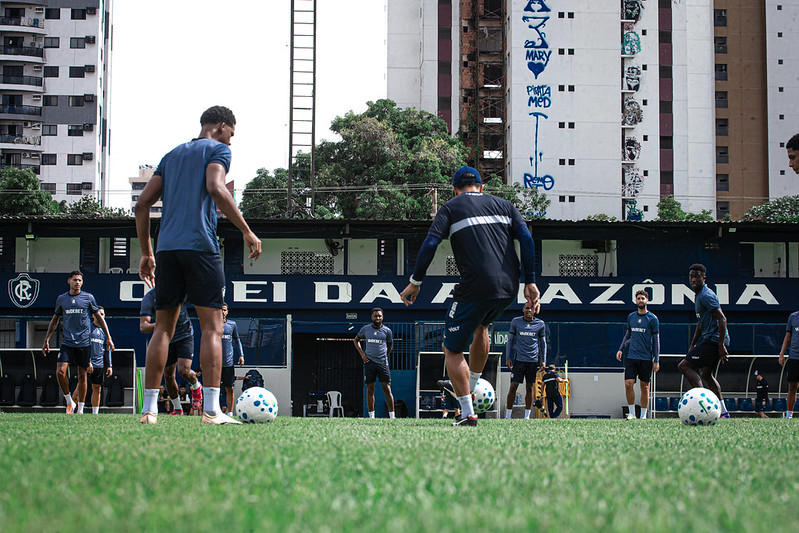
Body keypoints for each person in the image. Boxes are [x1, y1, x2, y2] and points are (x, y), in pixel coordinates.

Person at [134, 105, 262, 425]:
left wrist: (147, 252)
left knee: (162, 328)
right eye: (231, 136)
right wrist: (246, 231)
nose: (230, 144)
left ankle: (149, 411)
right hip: (200, 248)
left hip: (166, 251)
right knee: (213, 327)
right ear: (220, 127)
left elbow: (142, 205)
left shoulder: (171, 155)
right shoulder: (217, 150)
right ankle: (211, 411)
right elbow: (216, 188)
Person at [400, 166, 539, 426]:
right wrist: (530, 281)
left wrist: (415, 281)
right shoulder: (506, 206)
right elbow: (527, 239)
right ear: (481, 187)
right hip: (509, 287)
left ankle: (467, 411)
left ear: (454, 189)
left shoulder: (451, 207)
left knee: (451, 349)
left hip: (475, 286)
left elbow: (430, 243)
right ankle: (472, 383)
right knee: (482, 326)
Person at [42, 270, 114, 414]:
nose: (77, 282)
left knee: (82, 376)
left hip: (83, 343)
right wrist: (46, 340)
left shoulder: (88, 298)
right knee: (60, 372)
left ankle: (80, 409)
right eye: (75, 280)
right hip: (68, 342)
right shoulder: (62, 299)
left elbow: (100, 318)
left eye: (80, 280)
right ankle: (69, 401)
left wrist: (109, 337)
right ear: (69, 281)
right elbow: (55, 320)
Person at [677, 264, 731, 418]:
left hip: (715, 340)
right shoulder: (698, 295)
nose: (693, 279)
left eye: (697, 276)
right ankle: (724, 412)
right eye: (691, 276)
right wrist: (693, 343)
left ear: (704, 278)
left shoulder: (706, 295)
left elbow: (722, 319)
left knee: (684, 366)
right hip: (711, 339)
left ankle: (703, 405)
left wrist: (721, 346)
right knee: (706, 374)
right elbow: (701, 322)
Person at [139, 288, 202, 416]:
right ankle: (177, 409)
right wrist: (160, 324)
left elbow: (199, 299)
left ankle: (196, 386)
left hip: (184, 335)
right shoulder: (149, 298)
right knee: (168, 375)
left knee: (183, 371)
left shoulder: (178, 291)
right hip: (166, 338)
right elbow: (143, 326)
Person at [615, 290, 660, 420]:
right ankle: (632, 413)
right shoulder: (631, 317)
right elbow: (628, 335)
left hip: (646, 358)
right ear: (636, 301)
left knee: (644, 387)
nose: (640, 300)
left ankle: (644, 415)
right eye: (638, 298)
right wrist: (621, 349)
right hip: (631, 357)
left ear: (647, 301)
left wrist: (656, 360)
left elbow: (656, 341)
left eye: (643, 298)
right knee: (628, 383)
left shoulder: (653, 319)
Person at [504, 303, 546, 419]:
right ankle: (508, 415)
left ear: (534, 311)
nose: (529, 310)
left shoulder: (540, 324)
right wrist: (508, 357)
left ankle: (526, 416)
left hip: (533, 361)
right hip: (519, 361)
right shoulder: (516, 322)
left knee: (529, 387)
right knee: (513, 386)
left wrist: (543, 360)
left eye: (531, 308)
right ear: (523, 309)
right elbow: (510, 340)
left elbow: (543, 344)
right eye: (527, 308)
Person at [353, 308, 395, 418]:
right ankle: (371, 416)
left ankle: (392, 416)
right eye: (375, 316)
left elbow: (390, 345)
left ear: (382, 317)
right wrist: (362, 354)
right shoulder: (366, 329)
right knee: (370, 389)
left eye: (379, 316)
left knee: (387, 388)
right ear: (372, 317)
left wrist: (386, 355)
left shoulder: (387, 331)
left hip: (382, 363)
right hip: (369, 363)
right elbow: (355, 340)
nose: (377, 318)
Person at [87, 307, 112, 414]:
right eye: (99, 314)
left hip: (99, 365)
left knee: (97, 388)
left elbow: (107, 349)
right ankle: (73, 409)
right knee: (80, 388)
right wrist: (87, 361)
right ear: (93, 315)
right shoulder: (88, 328)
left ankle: (95, 413)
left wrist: (109, 365)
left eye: (103, 314)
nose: (101, 316)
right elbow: (83, 346)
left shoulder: (104, 331)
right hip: (88, 364)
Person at [221, 303, 244, 414]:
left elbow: (237, 340)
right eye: (220, 310)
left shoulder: (232, 324)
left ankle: (230, 413)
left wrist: (241, 355)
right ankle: (213, 411)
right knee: (213, 389)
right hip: (215, 364)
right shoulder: (212, 325)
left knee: (229, 388)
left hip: (228, 363)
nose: (222, 312)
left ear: (227, 311)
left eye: (224, 310)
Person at [778, 308, 799, 418]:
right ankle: (789, 415)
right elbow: (788, 337)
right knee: (792, 386)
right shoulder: (793, 317)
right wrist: (782, 354)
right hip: (794, 357)